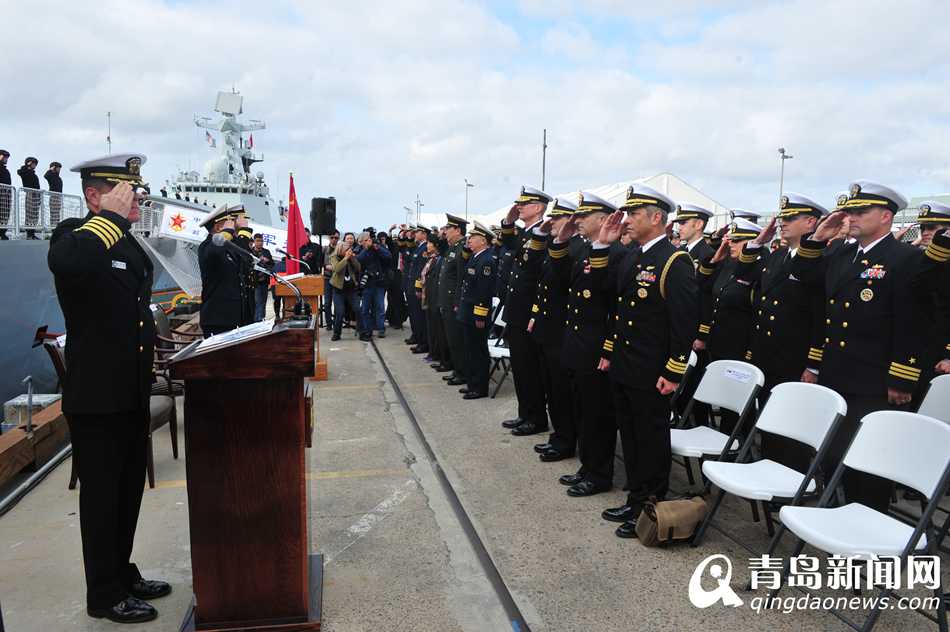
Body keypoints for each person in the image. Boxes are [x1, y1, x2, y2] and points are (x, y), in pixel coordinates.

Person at [48, 153, 170, 623]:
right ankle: (103, 594)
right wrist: (109, 218)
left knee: (127, 491)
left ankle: (122, 572)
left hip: (129, 389)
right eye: (125, 191)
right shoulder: (76, 238)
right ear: (95, 196)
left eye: (135, 191)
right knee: (101, 499)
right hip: (97, 395)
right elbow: (69, 261)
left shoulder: (127, 244)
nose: (135, 197)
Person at [791, 181, 941, 513]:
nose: (852, 217)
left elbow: (915, 321)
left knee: (869, 461)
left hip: (876, 379)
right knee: (833, 453)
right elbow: (801, 275)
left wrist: (903, 377)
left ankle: (867, 536)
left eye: (861, 212)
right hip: (837, 372)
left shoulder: (906, 258)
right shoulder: (841, 253)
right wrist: (817, 237)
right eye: (850, 212)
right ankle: (838, 517)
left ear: (886, 216)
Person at [599, 185, 697, 539]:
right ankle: (635, 498)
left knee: (651, 439)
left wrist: (673, 371)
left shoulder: (675, 262)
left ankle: (650, 505)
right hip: (627, 364)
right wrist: (607, 244)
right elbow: (612, 298)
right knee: (632, 436)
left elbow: (684, 324)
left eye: (634, 214)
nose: (627, 220)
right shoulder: (633, 256)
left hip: (653, 371)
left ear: (657, 218)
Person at [735, 194, 828, 471]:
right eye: (783, 218)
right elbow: (743, 273)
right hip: (767, 351)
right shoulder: (775, 256)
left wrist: (814, 364)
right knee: (768, 415)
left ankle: (789, 477)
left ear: (810, 222)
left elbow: (820, 315)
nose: (783, 223)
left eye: (790, 218)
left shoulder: (818, 260)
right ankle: (768, 468)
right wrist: (756, 243)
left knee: (791, 423)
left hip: (794, 354)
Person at [548, 191, 624, 498]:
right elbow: (559, 277)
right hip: (578, 343)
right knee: (582, 408)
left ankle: (599, 474)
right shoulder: (584, 250)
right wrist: (560, 241)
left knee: (597, 414)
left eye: (584, 217)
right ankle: (588, 465)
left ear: (603, 220)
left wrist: (607, 347)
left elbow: (613, 305)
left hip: (596, 345)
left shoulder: (615, 253)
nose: (577, 221)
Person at [524, 197, 585, 463]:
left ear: (570, 221)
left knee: (562, 391)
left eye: (558, 219)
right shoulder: (554, 247)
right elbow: (533, 272)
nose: (552, 223)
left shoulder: (575, 248)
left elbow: (562, 282)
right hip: (547, 328)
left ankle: (566, 441)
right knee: (551, 387)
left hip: (562, 330)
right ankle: (559, 436)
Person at [694, 218, 762, 435]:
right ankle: (727, 440)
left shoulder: (758, 268)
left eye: (737, 240)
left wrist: (750, 350)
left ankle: (737, 445)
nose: (731, 244)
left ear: (753, 242)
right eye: (730, 239)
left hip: (740, 346)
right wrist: (716, 257)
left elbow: (756, 313)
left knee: (738, 404)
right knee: (724, 399)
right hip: (720, 344)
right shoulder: (727, 264)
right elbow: (701, 284)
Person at [499, 186, 552, 436]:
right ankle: (525, 413)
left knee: (530, 369)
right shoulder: (525, 233)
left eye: (525, 203)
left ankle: (537, 418)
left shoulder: (544, 234)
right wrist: (508, 222)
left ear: (539, 207)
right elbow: (508, 243)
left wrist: (534, 313)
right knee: (520, 368)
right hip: (516, 311)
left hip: (528, 312)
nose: (519, 206)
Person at [198, 204, 253, 337]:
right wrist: (238, 231)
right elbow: (216, 249)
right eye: (232, 225)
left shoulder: (228, 248)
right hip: (218, 320)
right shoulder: (206, 247)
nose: (235, 229)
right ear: (218, 227)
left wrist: (241, 233)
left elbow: (244, 255)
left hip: (237, 319)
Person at [457, 221, 496, 399]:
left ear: (483, 241)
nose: (469, 241)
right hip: (468, 310)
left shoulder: (487, 260)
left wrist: (480, 315)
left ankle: (480, 387)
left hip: (477, 313)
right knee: (469, 349)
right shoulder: (476, 257)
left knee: (478, 351)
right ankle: (472, 383)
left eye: (473, 238)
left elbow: (484, 291)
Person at [437, 214, 469, 386]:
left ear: (457, 230)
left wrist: (456, 301)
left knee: (456, 339)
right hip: (446, 300)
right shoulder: (452, 248)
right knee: (451, 338)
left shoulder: (462, 249)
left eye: (448, 228)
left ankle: (462, 372)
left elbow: (460, 278)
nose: (445, 231)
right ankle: (457, 369)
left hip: (453, 301)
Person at [356, 230, 393, 340]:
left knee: (380, 307)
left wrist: (378, 248)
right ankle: (368, 330)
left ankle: (381, 329)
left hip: (379, 283)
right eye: (366, 240)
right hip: (367, 284)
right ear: (361, 242)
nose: (369, 242)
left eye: (369, 240)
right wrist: (366, 248)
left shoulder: (377, 248)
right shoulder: (360, 250)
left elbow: (388, 256)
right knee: (365, 309)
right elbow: (359, 260)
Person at [328, 240, 361, 340]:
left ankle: (363, 332)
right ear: (341, 249)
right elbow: (337, 269)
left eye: (349, 249)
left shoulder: (351, 257)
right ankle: (336, 333)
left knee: (358, 309)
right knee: (340, 312)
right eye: (346, 250)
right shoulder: (334, 257)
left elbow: (358, 268)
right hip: (338, 289)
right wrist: (345, 258)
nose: (349, 251)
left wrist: (352, 259)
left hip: (351, 288)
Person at [406, 226, 430, 352]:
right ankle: (416, 336)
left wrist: (418, 288)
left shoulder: (425, 248)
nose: (415, 234)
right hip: (411, 285)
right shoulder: (418, 247)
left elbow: (421, 270)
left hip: (417, 287)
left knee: (419, 316)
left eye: (417, 233)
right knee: (414, 315)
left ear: (424, 234)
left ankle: (422, 342)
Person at [251, 233, 275, 321]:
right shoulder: (251, 252)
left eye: (261, 241)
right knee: (257, 302)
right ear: (254, 242)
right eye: (258, 241)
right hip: (254, 281)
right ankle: (257, 320)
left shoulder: (266, 252)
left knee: (263, 302)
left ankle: (262, 319)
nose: (260, 243)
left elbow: (272, 264)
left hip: (264, 281)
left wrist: (267, 261)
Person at [17, 156, 41, 238]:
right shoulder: (25, 171)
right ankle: (29, 233)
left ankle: (32, 233)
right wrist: (26, 165)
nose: (35, 165)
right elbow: (20, 172)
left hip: (36, 195)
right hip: (30, 194)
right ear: (29, 163)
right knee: (30, 214)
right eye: (33, 163)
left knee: (35, 215)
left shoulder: (34, 174)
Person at [322, 230, 340, 330]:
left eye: (336, 238)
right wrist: (325, 266)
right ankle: (329, 323)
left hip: (337, 278)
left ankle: (337, 323)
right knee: (327, 303)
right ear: (329, 238)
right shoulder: (324, 249)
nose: (334, 239)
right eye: (332, 237)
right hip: (327, 278)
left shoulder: (341, 249)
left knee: (337, 303)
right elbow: (319, 262)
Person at [44, 161, 64, 226]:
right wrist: (51, 169)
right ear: (54, 168)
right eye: (58, 168)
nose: (59, 169)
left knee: (57, 214)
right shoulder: (51, 176)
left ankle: (56, 226)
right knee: (53, 213)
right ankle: (53, 227)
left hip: (59, 197)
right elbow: (46, 175)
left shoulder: (59, 178)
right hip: (53, 197)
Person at [0, 149, 10, 239]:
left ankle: (2, 233)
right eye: (4, 156)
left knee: (5, 214)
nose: (6, 159)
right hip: (1, 192)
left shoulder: (5, 170)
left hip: (6, 194)